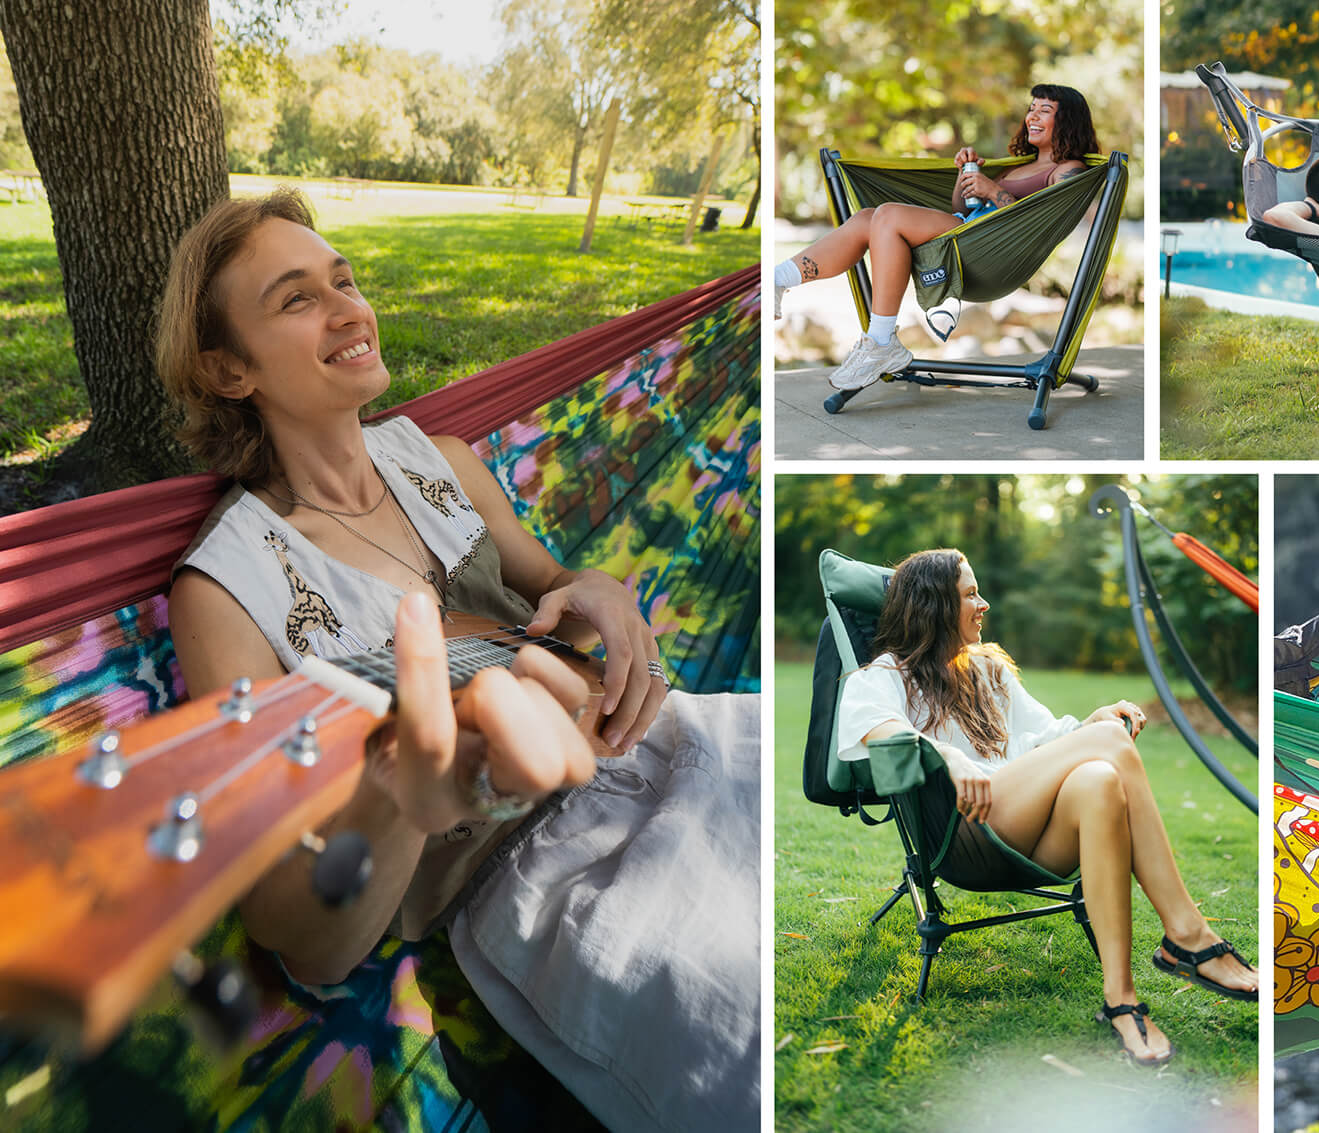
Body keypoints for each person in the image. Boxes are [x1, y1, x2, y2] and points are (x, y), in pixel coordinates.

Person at [158, 187, 759, 1131]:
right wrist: (401, 794)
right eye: (297, 298)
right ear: (229, 369)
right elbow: (299, 937)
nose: (350, 309)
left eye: (344, 279)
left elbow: (554, 576)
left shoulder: (439, 460)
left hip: (678, 747)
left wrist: (595, 582)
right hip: (552, 874)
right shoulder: (227, 585)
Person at [834, 550, 1257, 1066]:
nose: (982, 603)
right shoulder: (883, 676)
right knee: (1104, 747)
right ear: (934, 605)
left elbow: (1044, 738)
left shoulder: (988, 671)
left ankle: (1121, 1001)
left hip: (1030, 832)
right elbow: (872, 730)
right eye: (970, 594)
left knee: (1100, 776)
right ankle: (1188, 937)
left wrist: (1093, 724)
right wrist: (946, 754)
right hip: (966, 837)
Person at [772, 83, 1101, 391]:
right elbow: (962, 208)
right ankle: (779, 279)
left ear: (1067, 120)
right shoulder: (1016, 168)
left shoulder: (1068, 171)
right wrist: (966, 180)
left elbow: (1036, 222)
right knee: (866, 219)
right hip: (965, 234)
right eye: (1031, 109)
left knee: (886, 215)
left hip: (986, 254)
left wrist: (993, 189)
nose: (1031, 116)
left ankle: (882, 342)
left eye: (1044, 110)